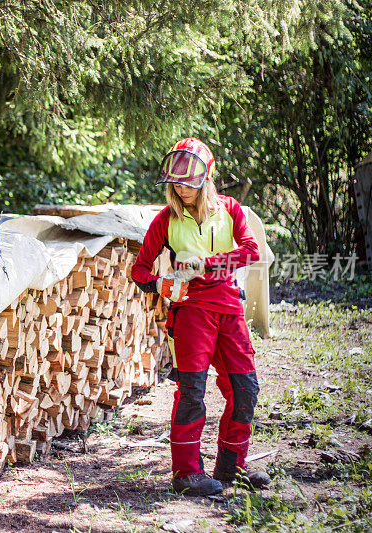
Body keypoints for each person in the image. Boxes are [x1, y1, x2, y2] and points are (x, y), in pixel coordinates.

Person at [130, 137, 271, 496]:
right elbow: (140, 270)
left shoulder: (231, 209)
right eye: (175, 182)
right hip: (191, 312)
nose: (181, 188)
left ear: (206, 177)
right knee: (191, 392)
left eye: (188, 182)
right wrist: (162, 285)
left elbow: (252, 251)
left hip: (229, 308)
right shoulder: (165, 220)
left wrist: (205, 264)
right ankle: (186, 474)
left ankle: (231, 468)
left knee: (245, 390)